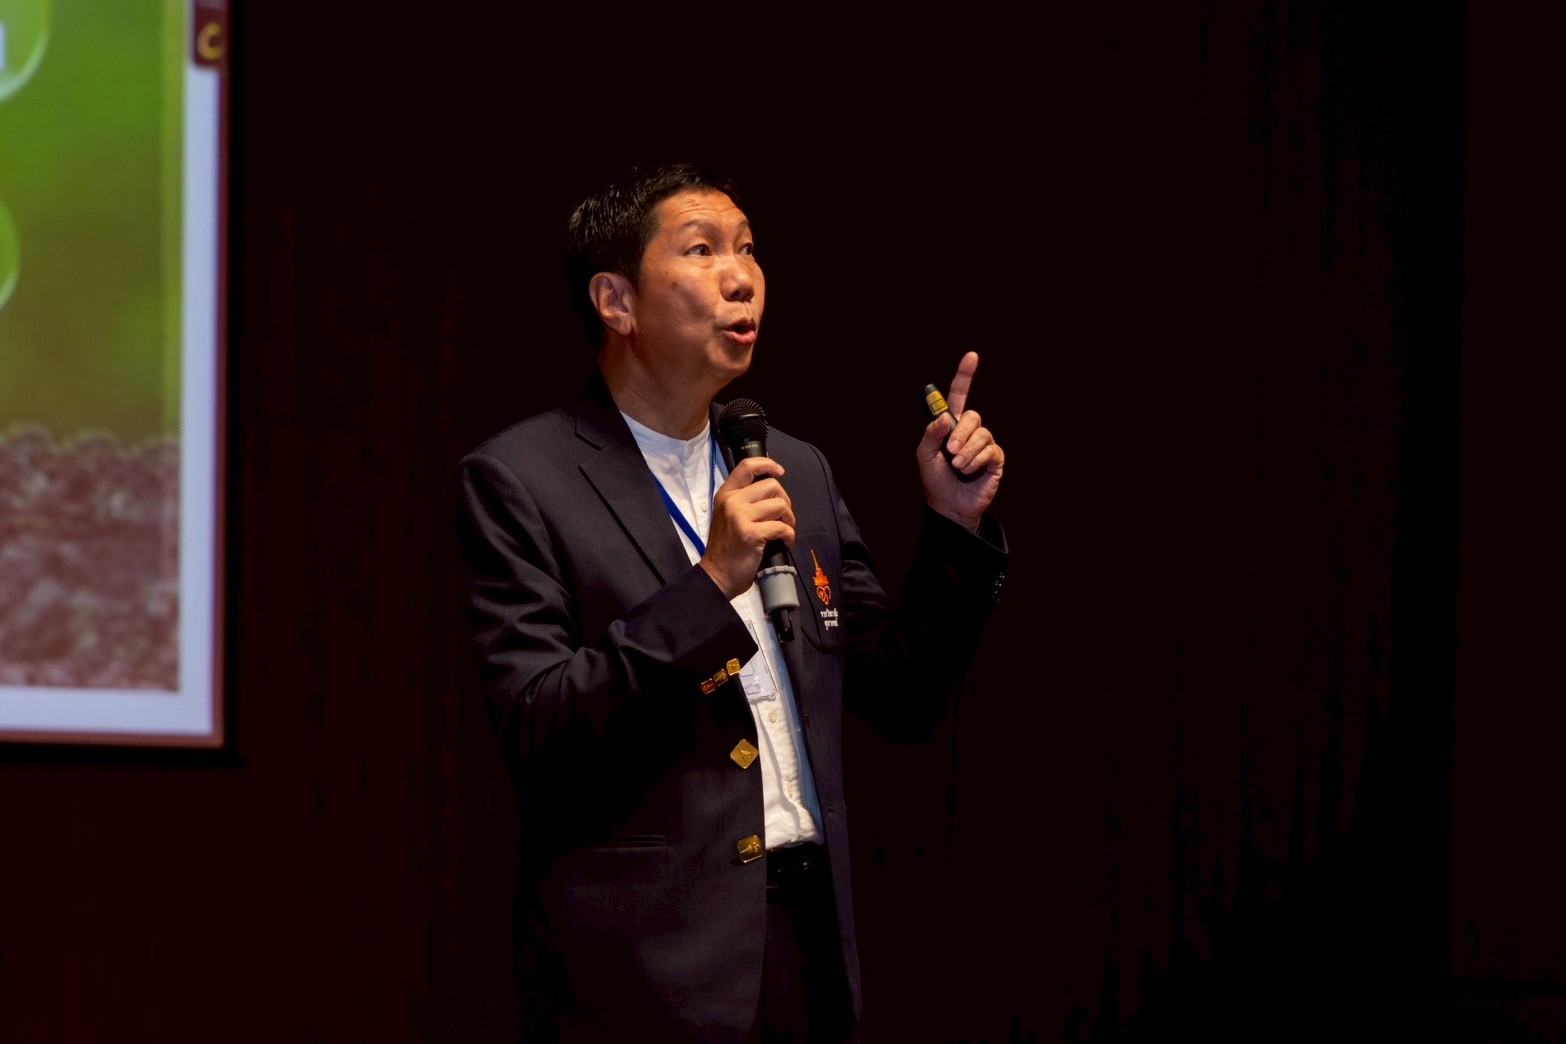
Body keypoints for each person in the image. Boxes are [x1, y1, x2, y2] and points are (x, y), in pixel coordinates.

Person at [457, 162, 1007, 1042]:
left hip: (806, 951)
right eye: (703, 250)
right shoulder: (522, 480)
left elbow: (896, 694)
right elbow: (539, 724)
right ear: (616, 301)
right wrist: (709, 585)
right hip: (647, 971)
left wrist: (953, 529)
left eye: (748, 249)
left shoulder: (793, 468)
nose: (742, 276)